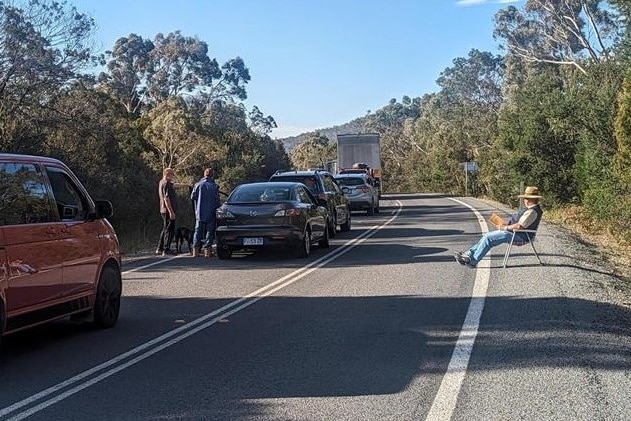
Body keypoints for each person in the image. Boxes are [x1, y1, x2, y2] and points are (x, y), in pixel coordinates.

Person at [454, 186, 544, 268]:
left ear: (528, 199)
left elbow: (519, 226)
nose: (524, 200)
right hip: (516, 233)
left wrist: (504, 228)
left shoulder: (532, 211)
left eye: (525, 198)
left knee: (489, 238)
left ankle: (472, 262)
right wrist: (504, 225)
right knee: (487, 236)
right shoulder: (531, 210)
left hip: (521, 236)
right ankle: (468, 254)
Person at [156, 168, 188, 256]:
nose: (173, 176)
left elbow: (174, 185)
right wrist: (171, 212)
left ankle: (160, 247)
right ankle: (166, 249)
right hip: (168, 210)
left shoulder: (162, 182)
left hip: (163, 209)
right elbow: (167, 199)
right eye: (172, 174)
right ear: (167, 174)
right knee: (170, 230)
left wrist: (186, 185)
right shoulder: (166, 183)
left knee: (165, 228)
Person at [190, 167, 221, 257]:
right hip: (211, 211)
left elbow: (193, 197)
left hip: (199, 211)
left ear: (204, 174)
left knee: (197, 231)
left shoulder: (197, 185)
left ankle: (195, 251)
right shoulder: (214, 186)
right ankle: (208, 251)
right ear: (212, 175)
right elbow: (217, 200)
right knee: (210, 231)